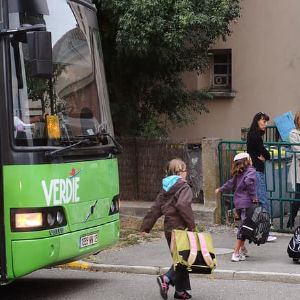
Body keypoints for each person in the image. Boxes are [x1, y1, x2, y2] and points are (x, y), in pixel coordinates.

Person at [140, 158, 195, 300]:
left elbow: (155, 208)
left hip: (169, 229)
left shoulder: (166, 187)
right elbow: (183, 205)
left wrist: (146, 227)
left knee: (179, 258)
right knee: (184, 258)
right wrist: (192, 226)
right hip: (180, 228)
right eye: (185, 170)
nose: (186, 173)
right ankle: (166, 278)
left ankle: (180, 291)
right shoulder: (184, 187)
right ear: (179, 172)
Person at [216, 152, 257, 261]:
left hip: (238, 203)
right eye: (250, 158)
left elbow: (230, 184)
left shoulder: (239, 172)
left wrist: (221, 189)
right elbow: (249, 183)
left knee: (243, 226)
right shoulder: (251, 170)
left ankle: (242, 249)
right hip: (246, 203)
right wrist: (253, 197)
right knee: (245, 228)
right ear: (247, 160)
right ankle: (236, 253)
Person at [247, 112, 277, 242]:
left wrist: (263, 156)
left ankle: (253, 230)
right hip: (257, 171)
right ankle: (265, 232)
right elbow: (264, 153)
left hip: (254, 170)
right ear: (257, 121)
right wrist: (265, 156)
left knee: (256, 201)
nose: (265, 124)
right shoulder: (255, 136)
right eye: (263, 121)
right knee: (263, 201)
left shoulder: (253, 134)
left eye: (266, 122)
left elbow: (260, 152)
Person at [287, 111, 300, 228]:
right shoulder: (293, 133)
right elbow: (297, 151)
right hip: (299, 170)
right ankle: (290, 220)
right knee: (298, 197)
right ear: (297, 121)